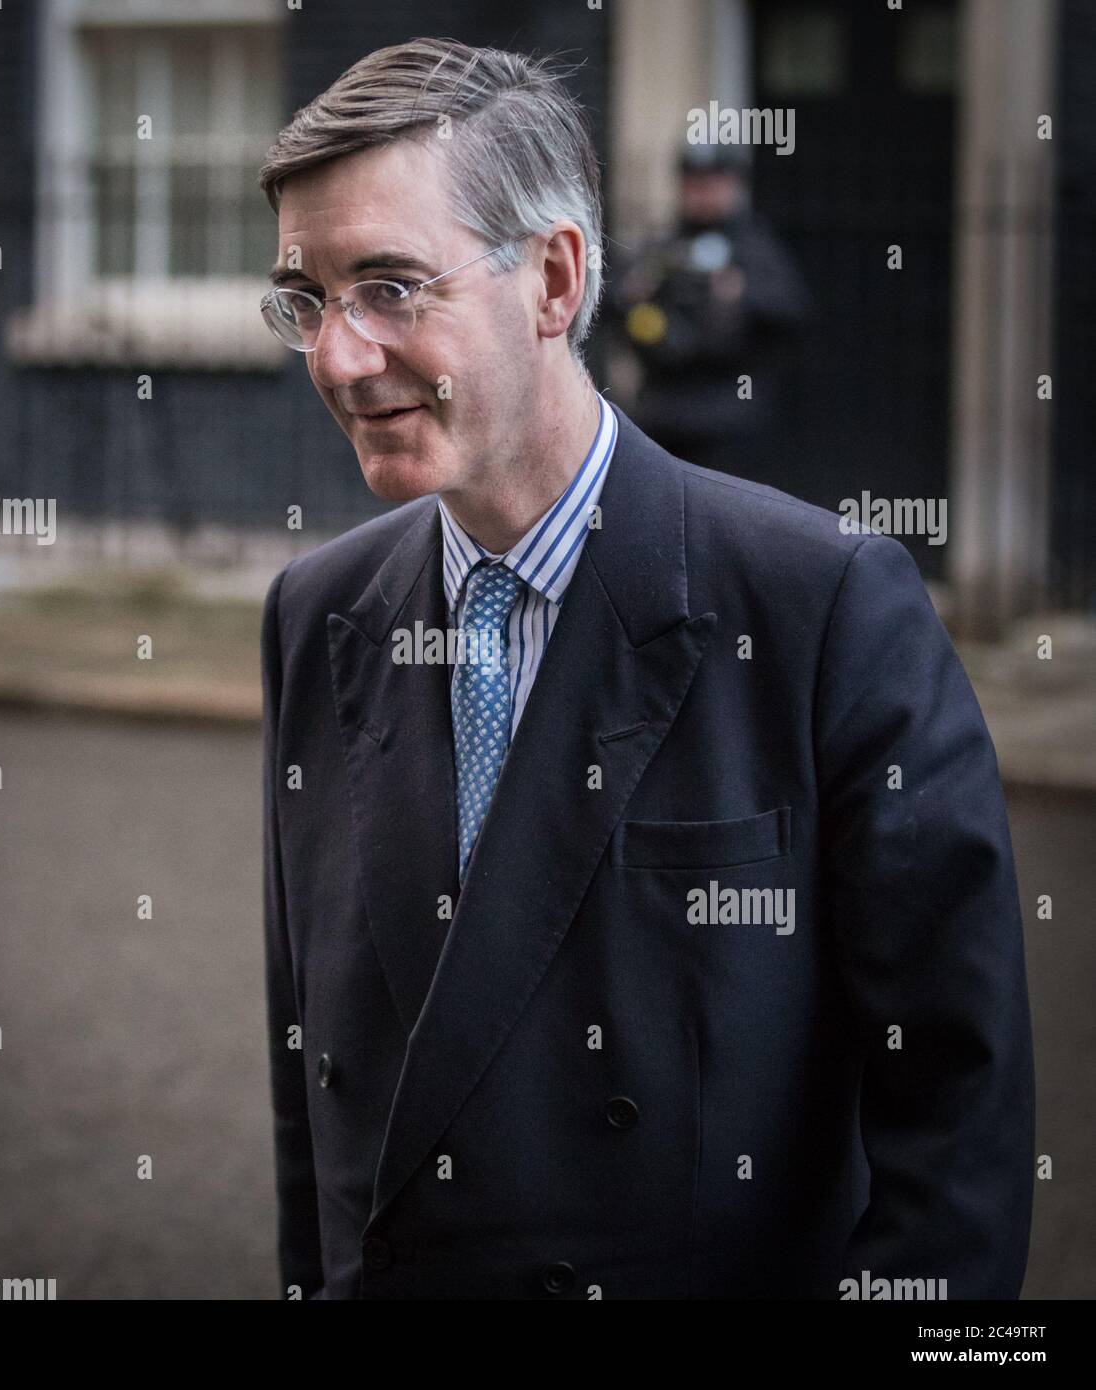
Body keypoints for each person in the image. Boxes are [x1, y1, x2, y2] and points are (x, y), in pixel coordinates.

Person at [255, 37, 1034, 1300]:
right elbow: (319, 1110)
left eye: (391, 287)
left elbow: (958, 1116)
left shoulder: (818, 607)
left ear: (552, 279)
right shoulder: (315, 612)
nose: (337, 358)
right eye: (307, 298)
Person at [604, 142, 809, 470]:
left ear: (735, 186)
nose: (703, 192)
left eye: (714, 182)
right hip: (661, 416)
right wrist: (635, 295)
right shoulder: (660, 248)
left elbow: (790, 312)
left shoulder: (755, 249)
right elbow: (609, 302)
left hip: (729, 420)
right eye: (694, 182)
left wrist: (737, 294)